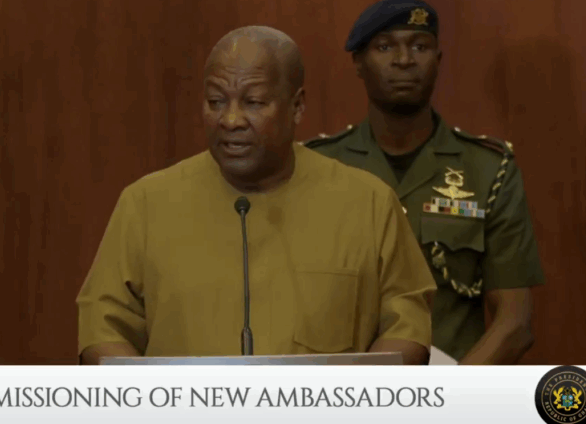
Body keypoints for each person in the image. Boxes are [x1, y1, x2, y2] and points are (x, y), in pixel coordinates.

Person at [75, 26, 437, 365]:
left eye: (253, 102)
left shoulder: (368, 203)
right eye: (216, 101)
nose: (230, 120)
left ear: (297, 106)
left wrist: (342, 398)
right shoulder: (146, 204)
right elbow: (102, 330)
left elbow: (407, 328)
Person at [303, 0, 545, 365]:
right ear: (358, 63)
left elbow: (514, 323)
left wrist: (449, 394)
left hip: (456, 386)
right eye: (385, 46)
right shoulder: (318, 167)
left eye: (419, 46)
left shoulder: (488, 170)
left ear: (438, 59)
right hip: (346, 389)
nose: (404, 60)